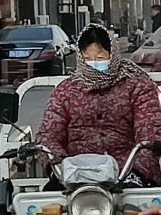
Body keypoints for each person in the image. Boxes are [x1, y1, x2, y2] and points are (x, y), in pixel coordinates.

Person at [37, 24, 161, 186]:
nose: (94, 63)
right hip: (75, 174)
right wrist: (60, 168)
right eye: (87, 59)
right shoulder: (65, 91)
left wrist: (136, 172)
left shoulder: (138, 86)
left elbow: (150, 133)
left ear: (113, 55)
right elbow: (49, 135)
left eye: (100, 58)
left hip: (126, 172)